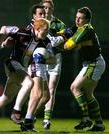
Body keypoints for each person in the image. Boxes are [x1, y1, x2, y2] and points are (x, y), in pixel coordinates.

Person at [0, 18, 53, 132]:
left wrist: (44, 59)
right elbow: (4, 28)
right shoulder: (23, 32)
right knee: (29, 82)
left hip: (22, 69)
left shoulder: (46, 41)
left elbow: (54, 60)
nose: (47, 33)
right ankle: (16, 112)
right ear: (37, 29)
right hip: (12, 63)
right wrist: (1, 44)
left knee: (6, 98)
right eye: (45, 30)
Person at [63, 7, 105, 131]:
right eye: (76, 17)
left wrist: (64, 40)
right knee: (88, 95)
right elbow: (67, 33)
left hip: (94, 63)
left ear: (87, 20)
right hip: (92, 63)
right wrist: (62, 33)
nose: (77, 20)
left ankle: (86, 119)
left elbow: (68, 46)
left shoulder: (86, 30)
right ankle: (99, 124)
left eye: (80, 18)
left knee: (74, 87)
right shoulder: (81, 28)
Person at [10, 3, 45, 125]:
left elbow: (49, 43)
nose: (44, 15)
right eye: (41, 13)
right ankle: (22, 116)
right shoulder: (29, 30)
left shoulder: (45, 27)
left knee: (45, 95)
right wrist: (3, 41)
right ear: (33, 16)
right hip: (28, 63)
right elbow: (8, 31)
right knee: (38, 92)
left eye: (45, 12)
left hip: (30, 64)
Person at [39, 0, 67, 130]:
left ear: (52, 9)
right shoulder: (37, 22)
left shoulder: (59, 24)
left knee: (51, 89)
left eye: (49, 8)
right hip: (41, 58)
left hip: (55, 58)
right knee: (38, 90)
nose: (46, 10)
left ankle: (46, 119)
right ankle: (30, 115)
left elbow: (62, 43)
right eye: (44, 7)